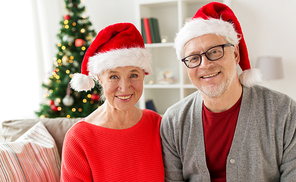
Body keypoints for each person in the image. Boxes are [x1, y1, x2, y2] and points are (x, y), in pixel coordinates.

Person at [160, 2, 296, 182]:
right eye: (193, 58)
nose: (205, 64)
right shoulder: (173, 121)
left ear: (236, 55)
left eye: (215, 51)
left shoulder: (284, 112)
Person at [60, 23, 164, 181]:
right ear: (100, 79)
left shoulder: (157, 124)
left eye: (133, 75)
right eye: (114, 76)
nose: (124, 87)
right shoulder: (79, 137)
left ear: (144, 75)